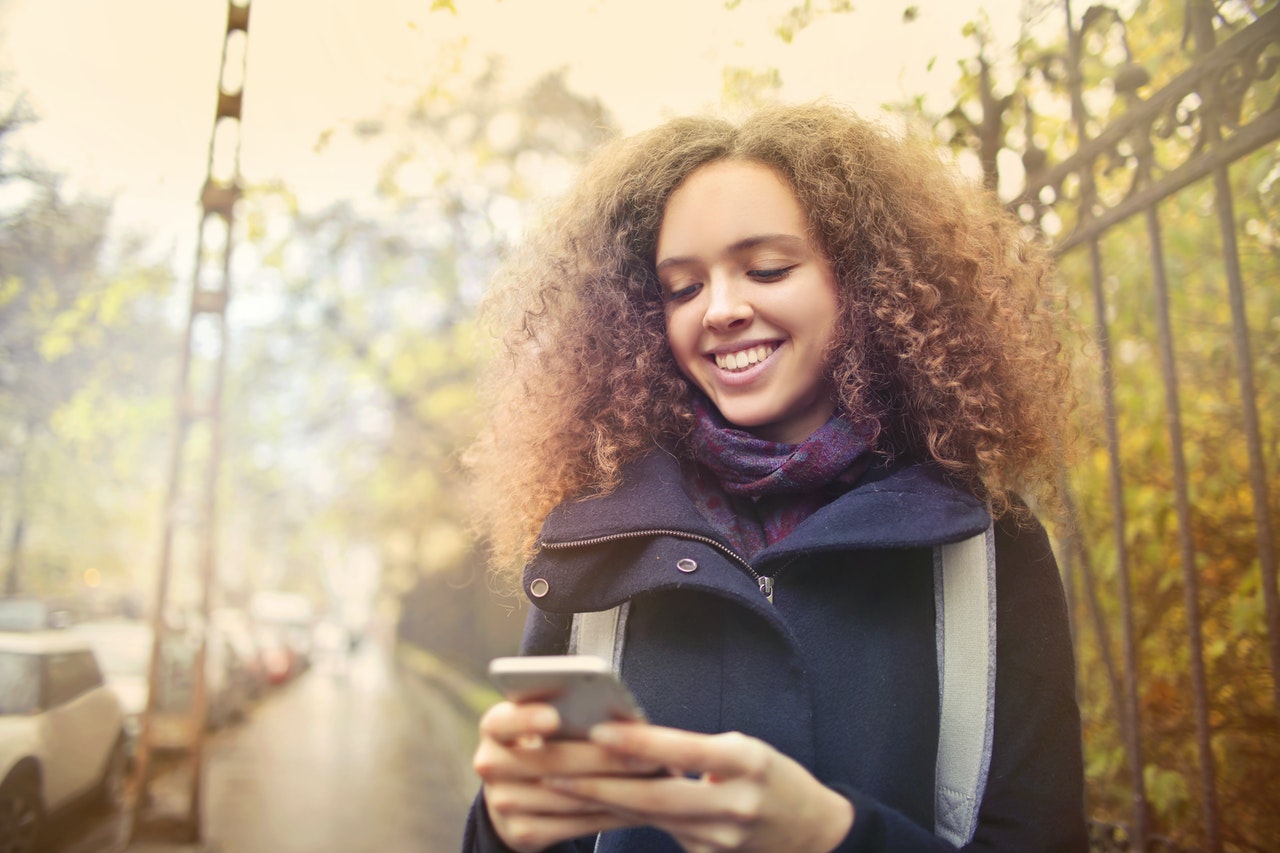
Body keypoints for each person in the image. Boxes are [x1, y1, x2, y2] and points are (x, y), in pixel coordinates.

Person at [461, 102, 1086, 852]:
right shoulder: (596, 531)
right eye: (683, 288)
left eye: (767, 269)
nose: (721, 309)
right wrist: (501, 825)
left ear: (861, 280)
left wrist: (834, 836)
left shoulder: (987, 545)